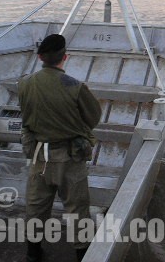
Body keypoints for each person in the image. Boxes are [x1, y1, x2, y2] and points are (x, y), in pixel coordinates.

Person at [19, 34, 102, 262]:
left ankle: (33, 253)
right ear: (65, 57)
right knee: (77, 210)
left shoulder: (24, 83)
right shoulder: (75, 86)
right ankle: (82, 255)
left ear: (40, 58)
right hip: (70, 159)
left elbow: (25, 117)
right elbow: (93, 118)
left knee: (36, 206)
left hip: (40, 157)